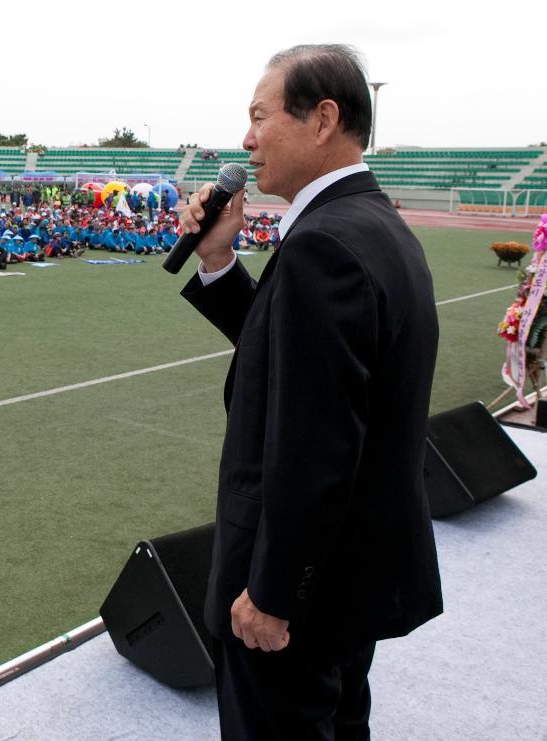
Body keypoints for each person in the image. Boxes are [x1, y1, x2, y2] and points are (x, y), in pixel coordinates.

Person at [177, 44, 441, 741]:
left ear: (323, 119)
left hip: (302, 597)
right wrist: (219, 261)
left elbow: (315, 446)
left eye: (261, 116)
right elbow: (295, 360)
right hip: (351, 579)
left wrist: (272, 593)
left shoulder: (325, 246)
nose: (246, 139)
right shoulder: (373, 226)